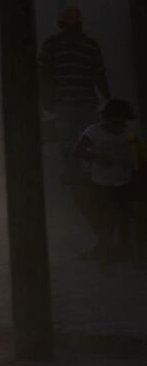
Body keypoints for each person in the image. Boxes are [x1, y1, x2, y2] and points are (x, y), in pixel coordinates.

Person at [39, 7, 111, 254]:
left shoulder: (53, 45)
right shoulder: (88, 45)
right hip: (81, 103)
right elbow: (99, 75)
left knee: (72, 145)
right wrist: (108, 98)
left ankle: (79, 178)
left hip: (68, 104)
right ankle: (85, 177)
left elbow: (44, 74)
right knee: (83, 142)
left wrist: (46, 98)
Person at [74, 99, 136, 269]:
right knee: (105, 218)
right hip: (101, 183)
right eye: (115, 120)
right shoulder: (93, 131)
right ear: (106, 118)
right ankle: (106, 248)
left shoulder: (128, 134)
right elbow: (78, 151)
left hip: (124, 182)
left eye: (122, 121)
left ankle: (123, 248)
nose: (119, 124)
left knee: (122, 218)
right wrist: (97, 158)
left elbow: (138, 155)